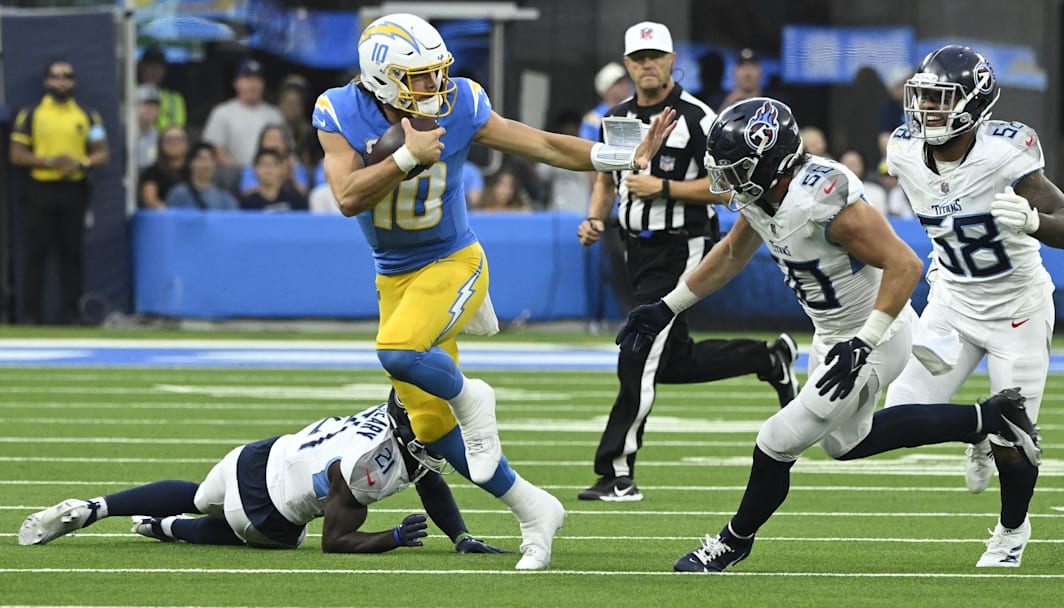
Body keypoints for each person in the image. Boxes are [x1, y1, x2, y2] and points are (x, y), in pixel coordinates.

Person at [613, 97, 1042, 573]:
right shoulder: (763, 195)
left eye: (736, 169)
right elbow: (732, 253)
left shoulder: (824, 199)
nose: (728, 182)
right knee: (844, 444)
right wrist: (666, 307)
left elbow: (905, 264)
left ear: (771, 160)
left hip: (875, 334)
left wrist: (864, 343)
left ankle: (732, 542)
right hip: (832, 334)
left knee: (777, 440)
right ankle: (986, 419)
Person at [313, 13, 675, 570]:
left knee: (400, 351)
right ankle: (534, 509)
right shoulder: (338, 110)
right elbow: (346, 196)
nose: (434, 88)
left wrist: (621, 156)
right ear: (382, 79)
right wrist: (406, 157)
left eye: (437, 74)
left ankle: (473, 397)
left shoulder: (462, 102)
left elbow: (545, 147)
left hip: (454, 260)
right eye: (420, 77)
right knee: (430, 428)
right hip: (394, 274)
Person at [574, 21, 799, 503]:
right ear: (627, 63)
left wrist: (665, 187)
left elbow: (727, 187)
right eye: (638, 58)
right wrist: (595, 218)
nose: (647, 64)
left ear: (673, 60)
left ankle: (617, 472)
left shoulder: (698, 117)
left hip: (684, 244)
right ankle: (768, 357)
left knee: (638, 352)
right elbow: (603, 175)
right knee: (670, 360)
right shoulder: (615, 116)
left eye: (655, 56)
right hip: (636, 246)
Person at [883, 45, 1064, 567]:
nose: (927, 111)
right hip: (952, 301)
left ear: (974, 104)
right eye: (924, 98)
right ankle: (978, 426)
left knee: (1019, 443)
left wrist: (1035, 224)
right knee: (900, 416)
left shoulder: (1007, 153)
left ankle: (1012, 532)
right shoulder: (901, 151)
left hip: (1018, 309)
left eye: (941, 101)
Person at [19, 392, 506, 555]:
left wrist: (460, 536)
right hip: (264, 514)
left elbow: (429, 479)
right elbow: (335, 542)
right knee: (280, 537)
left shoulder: (390, 419)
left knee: (194, 494)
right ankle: (167, 529)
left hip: (253, 456)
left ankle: (95, 507)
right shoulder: (368, 466)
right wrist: (393, 537)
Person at [9, 59, 109, 325]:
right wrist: (52, 162)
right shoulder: (31, 114)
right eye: (56, 76)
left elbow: (101, 151)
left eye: (67, 76)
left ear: (74, 81)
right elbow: (17, 154)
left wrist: (80, 163)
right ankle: (31, 314)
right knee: (36, 252)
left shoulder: (88, 115)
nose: (62, 81)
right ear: (46, 81)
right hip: (41, 186)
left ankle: (72, 314)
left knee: (72, 252)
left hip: (74, 187)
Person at [201, 58, 285, 183]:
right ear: (236, 83)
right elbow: (214, 148)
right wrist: (244, 174)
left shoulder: (274, 114)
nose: (253, 84)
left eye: (257, 79)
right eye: (247, 78)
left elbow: (286, 148)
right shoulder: (222, 112)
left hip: (271, 176)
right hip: (234, 176)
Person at [238, 124, 310, 197]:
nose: (273, 143)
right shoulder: (251, 168)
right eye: (269, 139)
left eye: (277, 139)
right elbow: (246, 194)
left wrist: (289, 178)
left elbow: (303, 193)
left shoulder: (295, 166)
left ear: (285, 144)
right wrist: (269, 181)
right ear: (261, 143)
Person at [166, 142, 239, 210]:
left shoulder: (225, 198)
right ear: (191, 163)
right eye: (202, 159)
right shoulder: (179, 194)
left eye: (210, 159)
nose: (206, 165)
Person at [240, 147, 309, 211]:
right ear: (255, 169)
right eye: (264, 164)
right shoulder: (248, 203)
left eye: (274, 164)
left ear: (281, 168)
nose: (269, 169)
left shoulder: (296, 199)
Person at [579, 62, 633, 143]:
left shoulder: (634, 111)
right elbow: (585, 148)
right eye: (619, 83)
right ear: (606, 89)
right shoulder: (592, 119)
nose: (625, 85)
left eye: (625, 81)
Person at [138, 125, 189, 210]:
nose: (174, 143)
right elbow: (150, 200)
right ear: (161, 144)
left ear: (186, 144)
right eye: (169, 139)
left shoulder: (193, 170)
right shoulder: (152, 172)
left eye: (179, 139)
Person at [138, 46, 186, 130]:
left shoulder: (175, 98)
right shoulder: (130, 92)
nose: (154, 70)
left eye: (158, 66)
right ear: (142, 67)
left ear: (165, 70)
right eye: (150, 65)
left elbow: (176, 128)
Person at [838, 148, 888, 216]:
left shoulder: (876, 192)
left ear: (862, 166)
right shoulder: (832, 194)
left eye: (854, 164)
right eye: (848, 165)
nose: (851, 169)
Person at [134, 84, 161, 170]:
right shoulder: (124, 133)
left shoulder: (159, 136)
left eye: (155, 105)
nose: (151, 109)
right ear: (135, 106)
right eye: (146, 104)